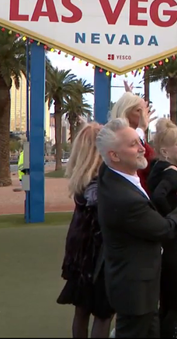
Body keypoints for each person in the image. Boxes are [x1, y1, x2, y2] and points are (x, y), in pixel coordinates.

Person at [95, 118, 177, 338]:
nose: (142, 148)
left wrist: (138, 124)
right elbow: (164, 228)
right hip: (135, 291)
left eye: (139, 141)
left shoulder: (111, 173)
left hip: (140, 288)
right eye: (134, 145)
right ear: (114, 155)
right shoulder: (125, 199)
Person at [57, 123, 114, 338]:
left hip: (79, 250)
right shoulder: (99, 181)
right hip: (95, 254)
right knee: (103, 313)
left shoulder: (82, 176)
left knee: (82, 310)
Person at [147, 119, 177, 338]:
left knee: (166, 301)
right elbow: (158, 196)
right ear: (165, 150)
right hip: (172, 242)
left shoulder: (156, 168)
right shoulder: (171, 171)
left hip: (160, 242)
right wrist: (175, 219)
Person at [110, 89, 155, 191]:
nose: (143, 114)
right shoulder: (115, 138)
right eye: (139, 111)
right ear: (126, 113)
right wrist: (141, 128)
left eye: (144, 110)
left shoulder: (141, 139)